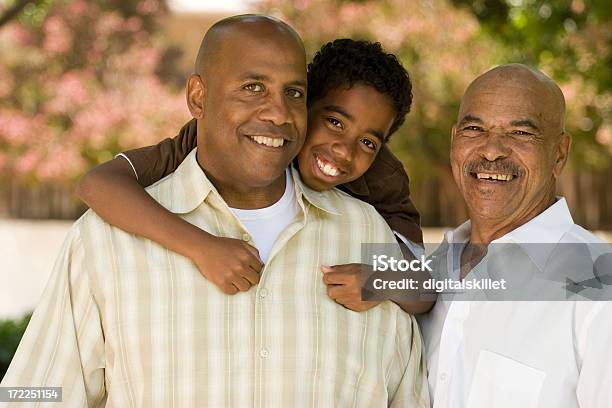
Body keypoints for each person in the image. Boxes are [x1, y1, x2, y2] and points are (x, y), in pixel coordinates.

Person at [1, 15, 429, 407]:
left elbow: (448, 291)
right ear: (198, 97)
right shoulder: (106, 240)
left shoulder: (369, 229)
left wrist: (383, 277)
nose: (277, 113)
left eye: (292, 93)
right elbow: (34, 394)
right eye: (253, 87)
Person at [75, 39, 433, 314]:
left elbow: (427, 288)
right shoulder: (213, 140)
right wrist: (200, 246)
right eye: (334, 122)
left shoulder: (383, 178)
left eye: (369, 141)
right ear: (301, 104)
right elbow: (98, 184)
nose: (344, 149)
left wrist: (382, 282)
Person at [418, 64, 612, 407]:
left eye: (521, 133)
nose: (491, 151)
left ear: (559, 153)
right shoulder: (427, 272)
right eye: (474, 128)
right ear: (454, 141)